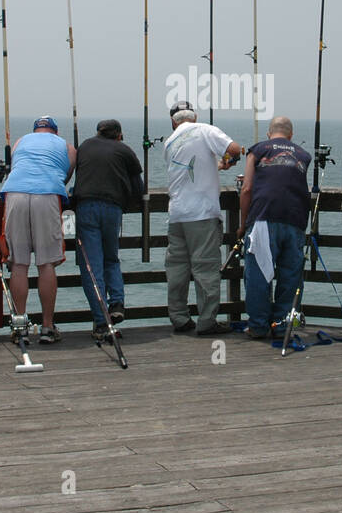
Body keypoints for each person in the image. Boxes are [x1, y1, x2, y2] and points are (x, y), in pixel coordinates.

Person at [163, 101, 244, 335]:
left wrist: (219, 165)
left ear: (172, 122)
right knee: (206, 267)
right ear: (195, 117)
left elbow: (189, 168)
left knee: (177, 268)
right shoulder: (205, 130)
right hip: (202, 213)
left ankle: (178, 318)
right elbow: (235, 148)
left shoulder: (169, 143)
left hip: (177, 214)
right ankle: (207, 321)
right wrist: (229, 159)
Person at [1, 116, 78, 344]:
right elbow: (65, 177)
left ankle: (20, 326)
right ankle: (46, 326)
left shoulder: (20, 142)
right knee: (46, 264)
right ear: (55, 131)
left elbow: (15, 165)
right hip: (47, 194)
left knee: (18, 263)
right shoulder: (67, 146)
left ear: (35, 130)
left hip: (14, 192)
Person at [239, 116, 311, 341]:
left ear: (270, 134)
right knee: (290, 277)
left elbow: (247, 188)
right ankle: (282, 327)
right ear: (291, 135)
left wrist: (243, 224)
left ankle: (258, 326)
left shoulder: (258, 150)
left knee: (258, 274)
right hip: (295, 220)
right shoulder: (303, 155)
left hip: (262, 219)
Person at [72, 119, 143, 342]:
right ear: (119, 135)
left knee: (91, 266)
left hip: (86, 207)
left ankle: (102, 321)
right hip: (113, 207)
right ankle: (117, 303)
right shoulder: (125, 150)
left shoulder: (84, 146)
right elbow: (138, 187)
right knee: (111, 259)